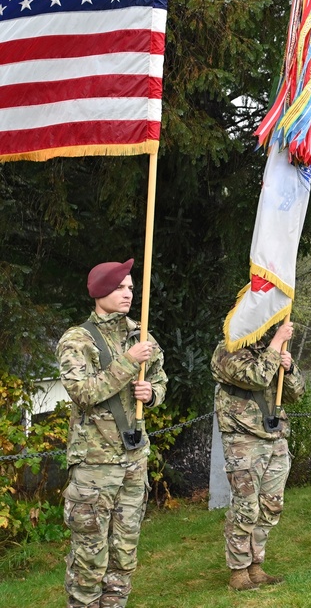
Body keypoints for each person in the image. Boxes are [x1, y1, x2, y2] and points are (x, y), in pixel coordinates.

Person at [59, 258, 168, 608]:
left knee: (125, 549)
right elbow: (83, 393)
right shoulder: (78, 340)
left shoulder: (141, 333)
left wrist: (152, 394)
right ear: (100, 290)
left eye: (132, 288)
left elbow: (161, 380)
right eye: (121, 287)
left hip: (134, 459)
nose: (129, 294)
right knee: (90, 554)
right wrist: (127, 362)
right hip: (95, 464)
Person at [212, 320, 304, 591]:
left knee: (270, 506)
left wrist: (289, 369)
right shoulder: (228, 350)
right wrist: (277, 344)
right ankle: (238, 571)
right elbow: (256, 377)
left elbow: (295, 394)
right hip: (243, 439)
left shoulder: (269, 349)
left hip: (275, 436)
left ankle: (256, 565)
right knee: (246, 508)